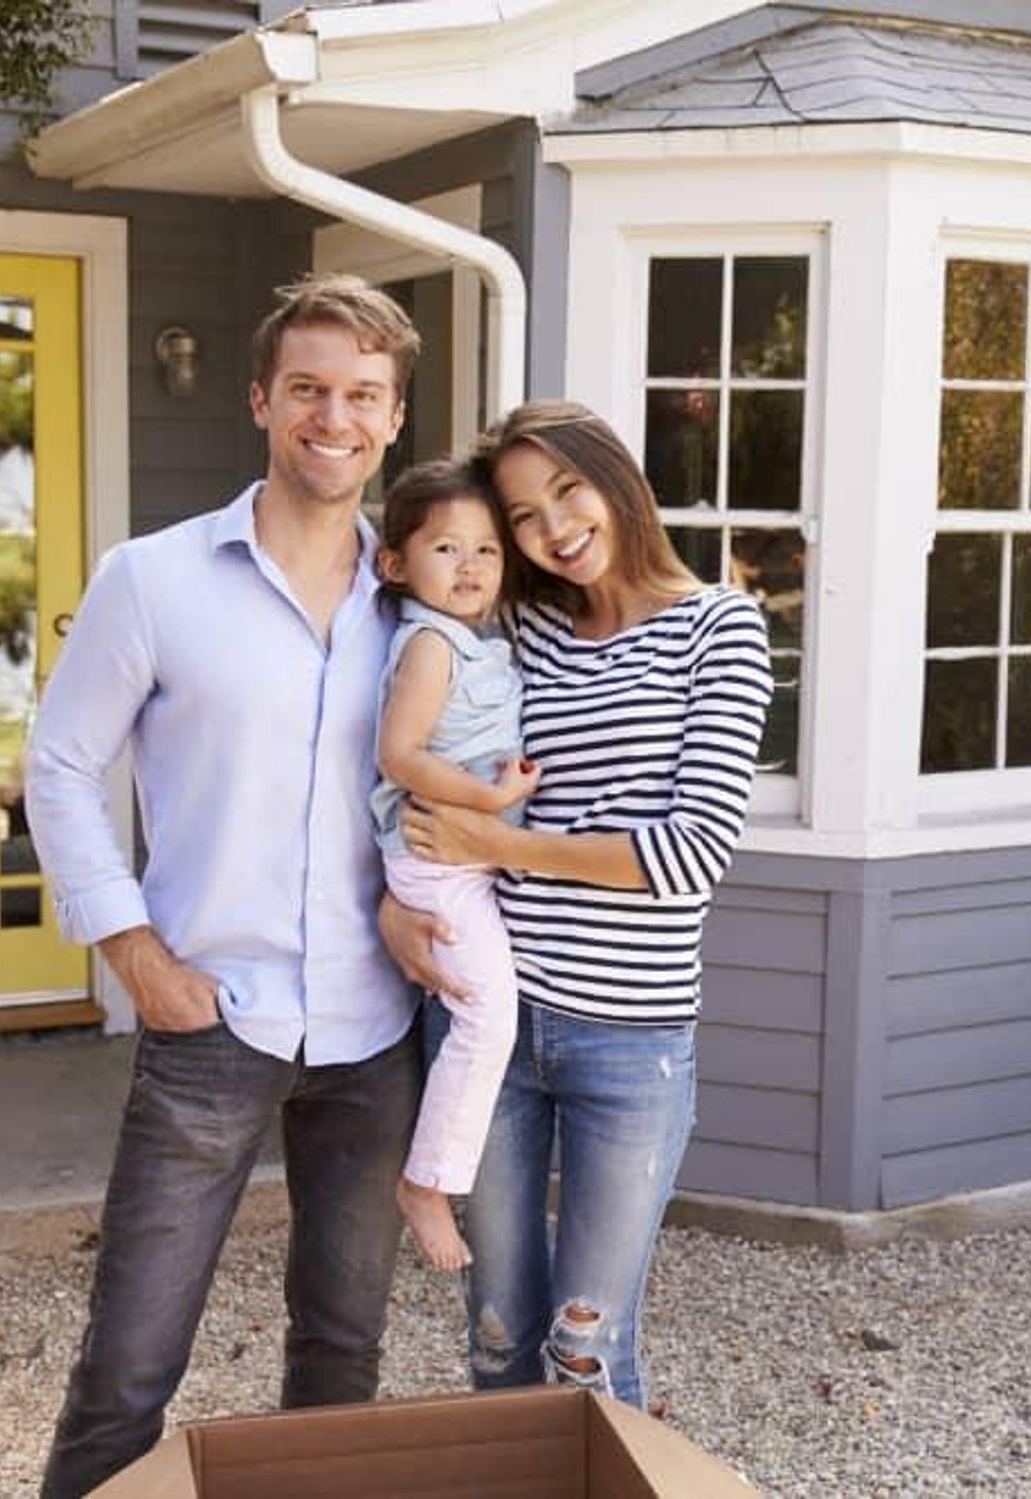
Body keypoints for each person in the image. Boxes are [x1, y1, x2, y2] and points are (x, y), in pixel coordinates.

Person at [24, 274, 423, 1498]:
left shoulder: (417, 598)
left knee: (342, 1351)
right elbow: (59, 762)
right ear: (260, 400)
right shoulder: (153, 578)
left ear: (393, 417)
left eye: (361, 394)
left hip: (375, 1026)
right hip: (210, 1019)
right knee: (129, 1365)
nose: (332, 417)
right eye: (307, 388)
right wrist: (131, 949)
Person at [382, 399, 772, 1410]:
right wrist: (392, 903)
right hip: (490, 1022)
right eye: (522, 515)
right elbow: (406, 738)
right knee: (496, 1332)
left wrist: (499, 844)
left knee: (584, 1345)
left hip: (630, 1043)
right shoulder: (521, 628)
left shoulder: (720, 628)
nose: (552, 528)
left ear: (616, 476)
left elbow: (689, 854)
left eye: (566, 491)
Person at [369, 459, 538, 1273]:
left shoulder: (480, 643)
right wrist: (489, 798)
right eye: (446, 548)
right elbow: (399, 754)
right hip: (438, 858)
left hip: (467, 857)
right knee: (487, 1015)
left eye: (487, 549)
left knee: (486, 1007)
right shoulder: (431, 646)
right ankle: (426, 1182)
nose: (470, 566)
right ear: (395, 563)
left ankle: (434, 1174)